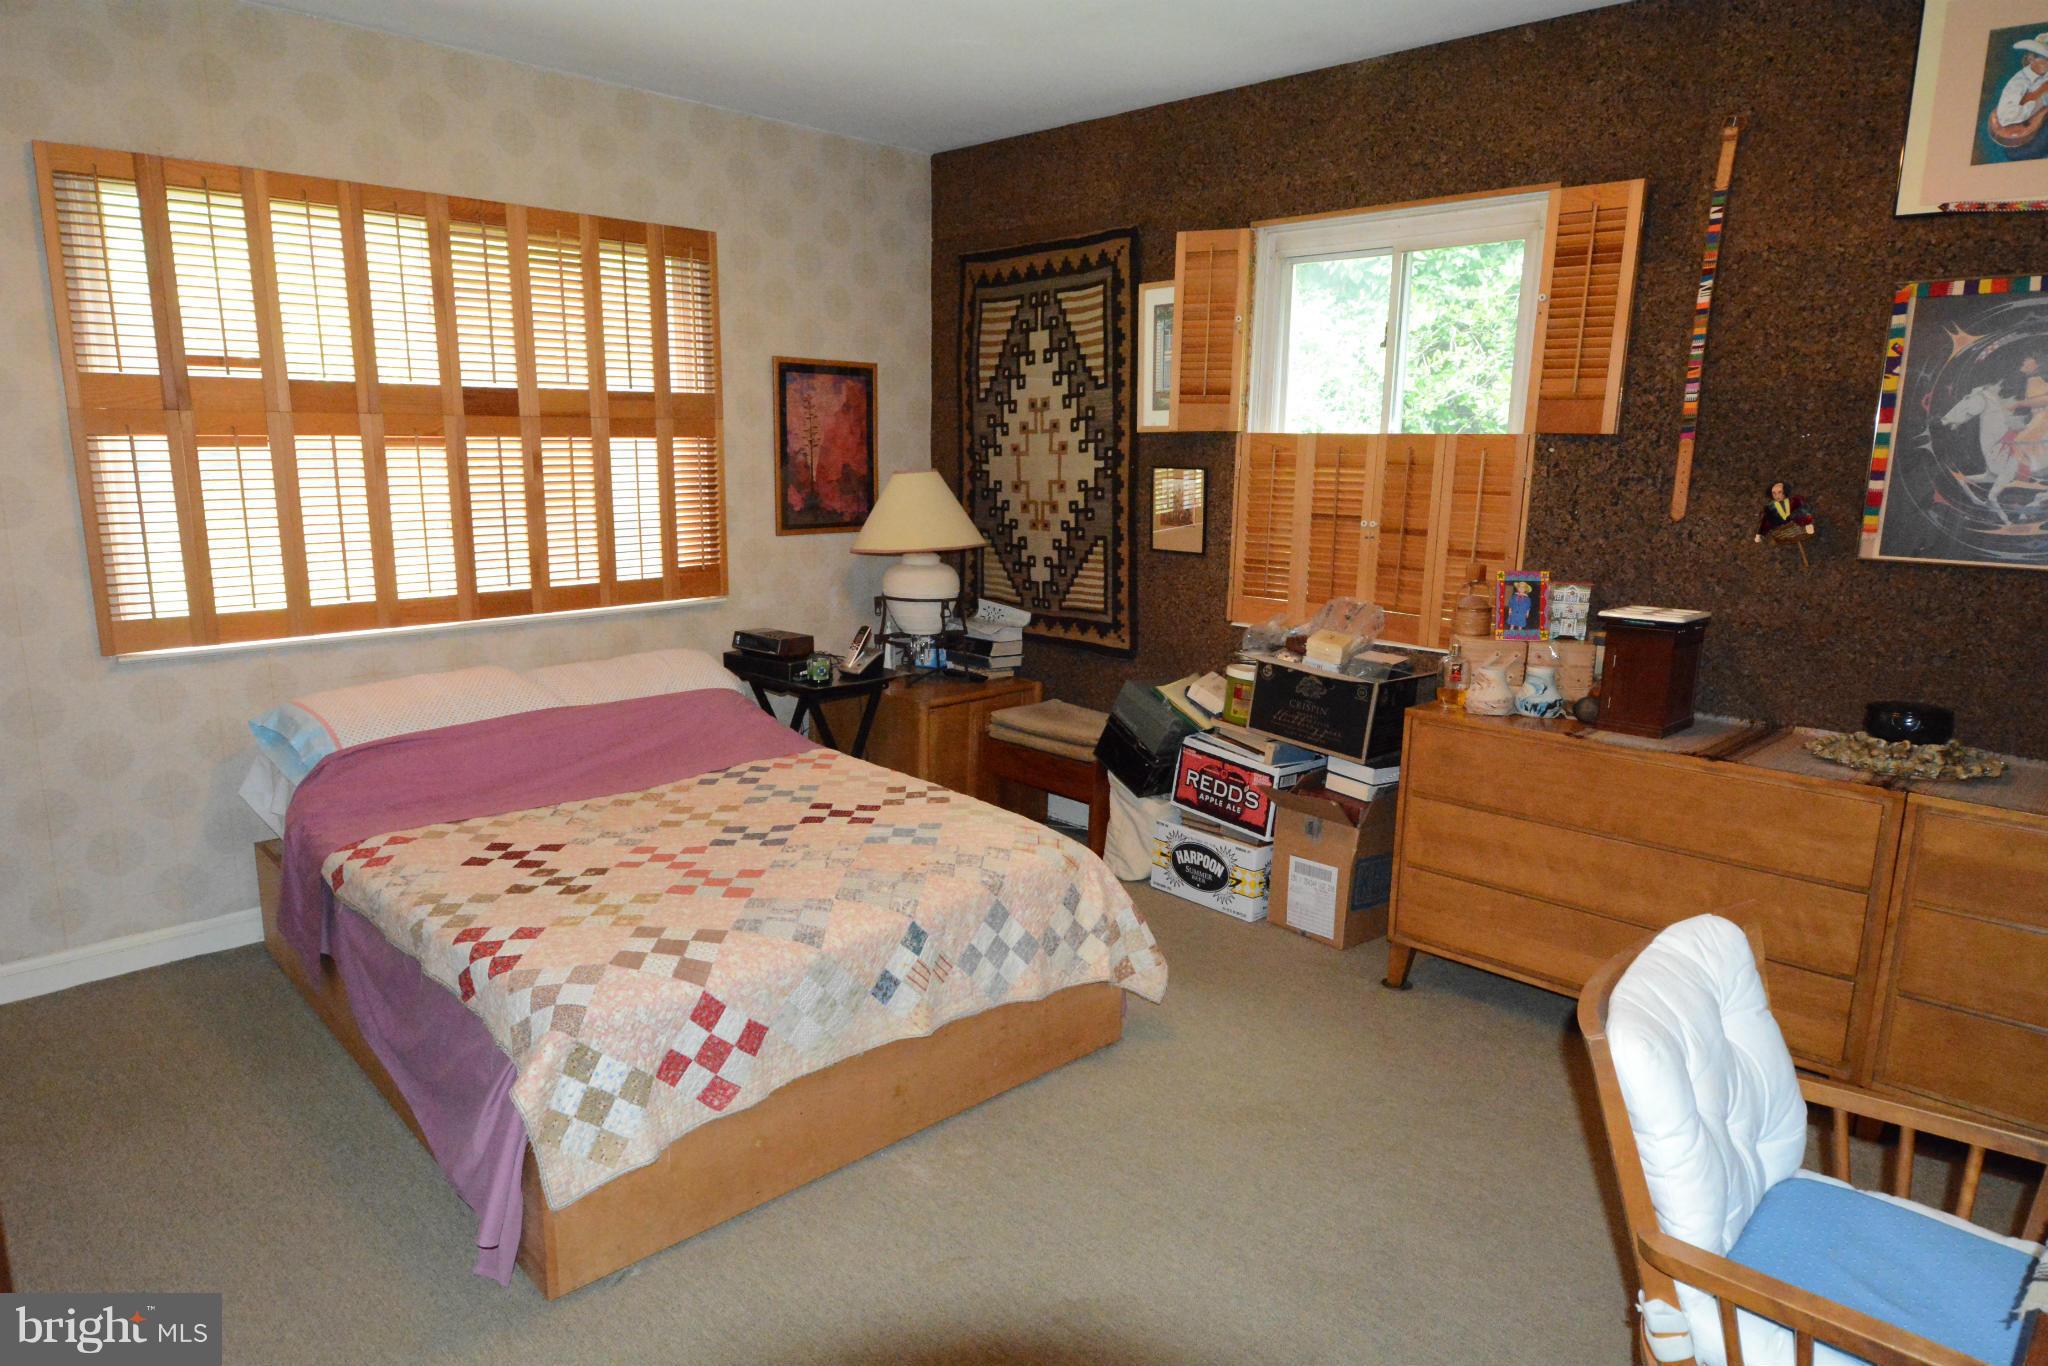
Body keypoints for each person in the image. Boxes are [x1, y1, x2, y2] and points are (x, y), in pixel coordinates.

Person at [1989, 36, 2048, 155]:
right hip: (2026, 142)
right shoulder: (2018, 83)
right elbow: (2008, 117)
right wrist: (2040, 91)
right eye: (2046, 59)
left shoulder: (2044, 74)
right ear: (2031, 59)